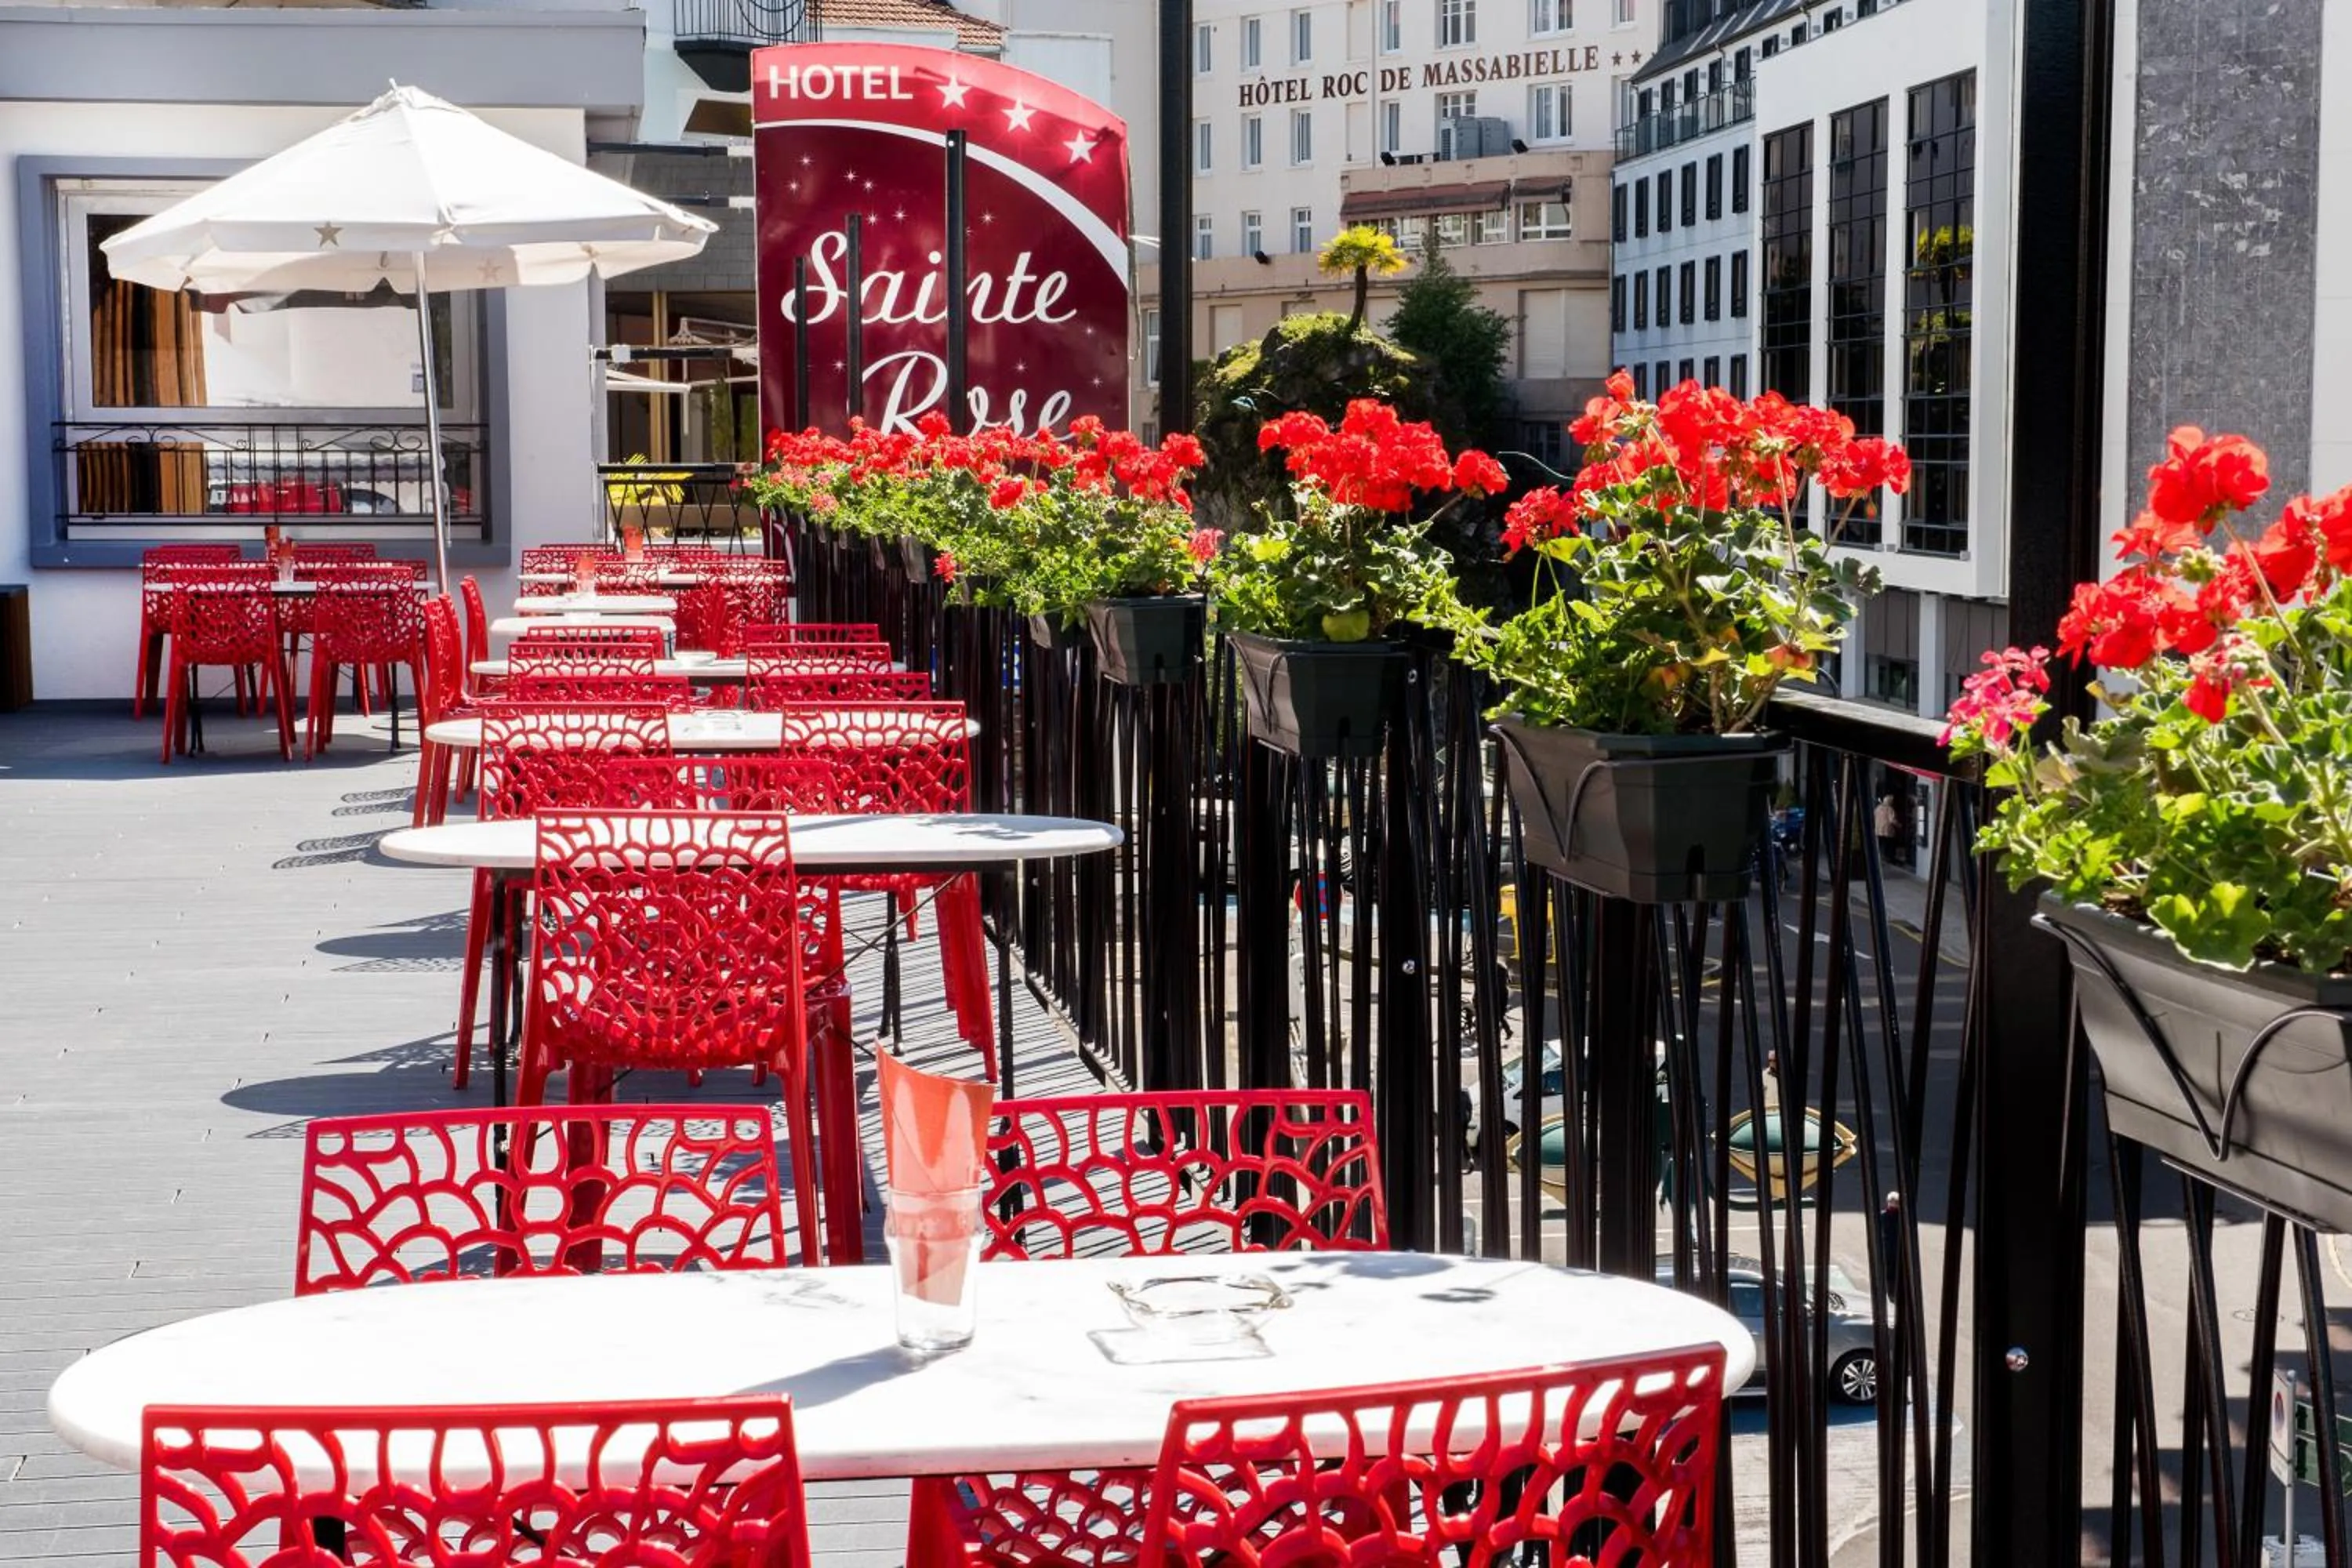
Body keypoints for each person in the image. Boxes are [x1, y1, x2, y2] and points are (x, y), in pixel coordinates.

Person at [1874, 793, 1901, 863]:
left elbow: (1874, 816)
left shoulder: (1878, 808)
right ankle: (1888, 859)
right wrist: (1899, 825)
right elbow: (1892, 820)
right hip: (1887, 831)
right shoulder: (1890, 809)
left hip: (1878, 830)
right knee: (1889, 845)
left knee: (1881, 845)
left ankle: (1881, 858)